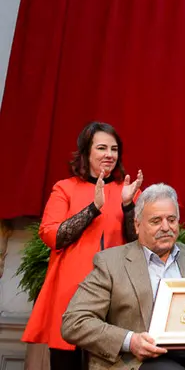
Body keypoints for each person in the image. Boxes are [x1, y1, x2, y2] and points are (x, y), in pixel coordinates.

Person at [61, 183, 185, 370]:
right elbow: (74, 322)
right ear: (137, 225)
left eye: (172, 220)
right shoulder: (111, 263)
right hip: (137, 361)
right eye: (156, 221)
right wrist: (130, 340)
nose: (166, 227)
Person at [22, 121, 143, 370]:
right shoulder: (64, 188)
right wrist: (92, 209)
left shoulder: (126, 190)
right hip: (69, 293)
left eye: (114, 149)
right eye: (102, 148)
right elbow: (53, 236)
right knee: (65, 362)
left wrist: (129, 205)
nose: (109, 155)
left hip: (114, 294)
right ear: (86, 152)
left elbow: (137, 243)